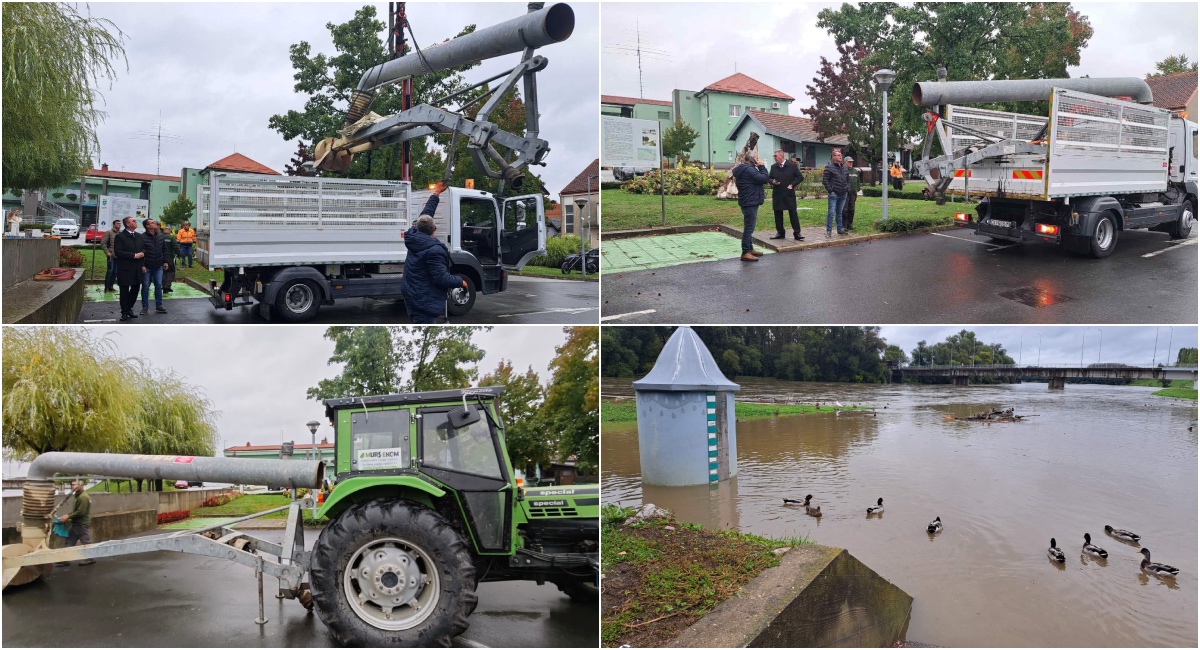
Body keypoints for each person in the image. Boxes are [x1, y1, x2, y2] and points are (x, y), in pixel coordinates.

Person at [400, 182, 468, 323]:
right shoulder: (433, 251)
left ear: (417, 226)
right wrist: (461, 281)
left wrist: (436, 193)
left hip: (412, 295)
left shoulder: (413, 236)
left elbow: (426, 213)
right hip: (424, 301)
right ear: (434, 228)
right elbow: (441, 278)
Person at [731, 150, 770, 261]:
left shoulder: (744, 169)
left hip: (748, 200)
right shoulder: (749, 170)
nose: (758, 160)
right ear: (751, 159)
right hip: (750, 201)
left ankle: (750, 248)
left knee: (749, 226)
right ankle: (745, 252)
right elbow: (764, 178)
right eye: (756, 158)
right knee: (749, 228)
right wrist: (762, 166)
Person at [54, 479, 95, 566]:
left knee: (85, 541)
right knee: (69, 541)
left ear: (82, 485)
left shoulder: (83, 497)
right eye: (72, 485)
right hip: (76, 523)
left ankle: (90, 558)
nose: (74, 486)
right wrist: (67, 515)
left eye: (75, 484)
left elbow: (81, 512)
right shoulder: (77, 495)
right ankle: (66, 559)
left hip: (81, 523)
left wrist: (68, 516)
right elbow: (75, 511)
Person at [768, 149, 805, 241]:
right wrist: (772, 181)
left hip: (788, 194)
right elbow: (769, 178)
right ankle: (780, 232)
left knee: (793, 213)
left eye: (775, 156)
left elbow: (800, 177)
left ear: (781, 156)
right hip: (777, 193)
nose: (774, 158)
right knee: (778, 213)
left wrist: (792, 184)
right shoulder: (773, 167)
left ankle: (797, 233)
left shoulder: (792, 166)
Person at [113, 216, 145, 321]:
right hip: (125, 268)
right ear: (128, 224)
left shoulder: (138, 236)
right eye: (134, 221)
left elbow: (143, 248)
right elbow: (118, 252)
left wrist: (142, 255)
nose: (136, 222)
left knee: (135, 289)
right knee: (124, 290)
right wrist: (134, 255)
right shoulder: (120, 236)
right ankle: (124, 312)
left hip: (137, 268)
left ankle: (130, 308)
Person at [139, 218, 170, 315]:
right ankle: (145, 307)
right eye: (152, 223)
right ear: (147, 226)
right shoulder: (142, 237)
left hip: (158, 266)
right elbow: (140, 252)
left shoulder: (160, 235)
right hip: (147, 266)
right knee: (145, 287)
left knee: (158, 286)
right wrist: (142, 265)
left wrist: (165, 261)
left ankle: (159, 306)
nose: (155, 223)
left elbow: (164, 249)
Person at [822, 149, 851, 236]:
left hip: (843, 193)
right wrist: (831, 191)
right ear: (834, 157)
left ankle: (839, 229)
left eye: (841, 155)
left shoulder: (844, 167)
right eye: (838, 155)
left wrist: (847, 188)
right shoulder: (829, 167)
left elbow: (848, 179)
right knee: (831, 212)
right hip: (834, 194)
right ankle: (829, 231)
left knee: (839, 212)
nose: (840, 156)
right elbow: (825, 180)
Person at [99, 219, 122, 293]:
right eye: (117, 223)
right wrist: (107, 252)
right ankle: (106, 288)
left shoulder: (120, 233)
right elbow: (103, 243)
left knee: (115, 272)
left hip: (118, 256)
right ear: (114, 224)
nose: (119, 225)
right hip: (111, 256)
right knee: (110, 271)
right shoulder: (109, 232)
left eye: (120, 224)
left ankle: (111, 286)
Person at [843, 156, 860, 231]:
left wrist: (857, 190)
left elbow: (858, 181)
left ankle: (850, 224)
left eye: (852, 162)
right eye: (849, 162)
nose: (851, 163)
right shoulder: (843, 170)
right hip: (845, 193)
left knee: (852, 209)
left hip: (853, 193)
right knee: (845, 209)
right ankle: (844, 225)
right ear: (845, 162)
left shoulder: (855, 171)